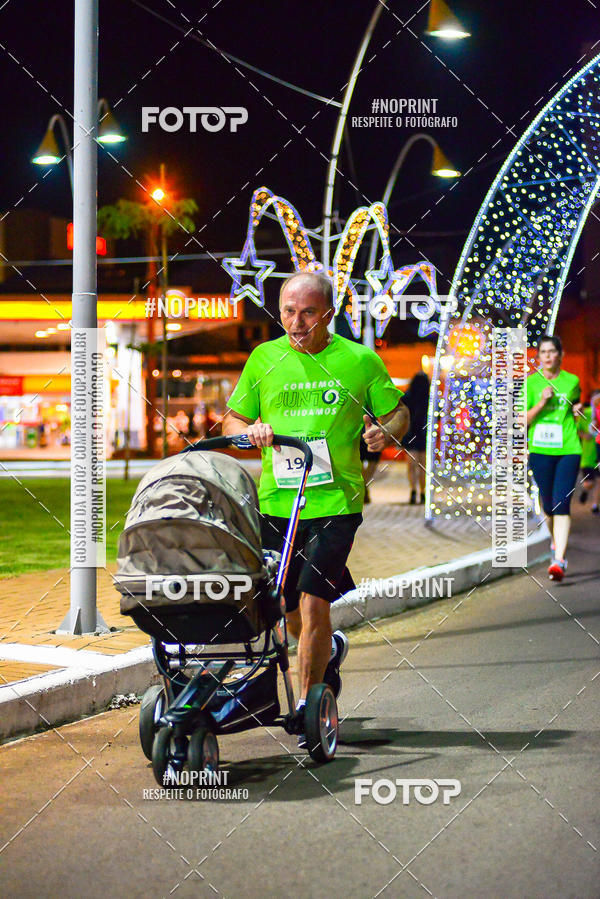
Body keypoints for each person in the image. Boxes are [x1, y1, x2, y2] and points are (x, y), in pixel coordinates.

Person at [222, 271, 409, 748]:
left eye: (307, 312)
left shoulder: (358, 360)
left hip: (335, 502)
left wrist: (385, 431)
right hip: (277, 502)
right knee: (284, 610)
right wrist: (253, 429)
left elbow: (399, 412)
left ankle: (307, 704)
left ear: (328, 312)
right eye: (288, 311)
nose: (296, 321)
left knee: (312, 599)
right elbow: (232, 419)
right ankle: (328, 654)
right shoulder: (264, 359)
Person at [526, 335, 582, 581]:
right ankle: (555, 542)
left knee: (561, 503)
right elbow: (522, 420)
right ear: (538, 357)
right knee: (548, 505)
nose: (548, 356)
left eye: (552, 352)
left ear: (561, 355)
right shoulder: (530, 384)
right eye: (544, 352)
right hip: (540, 449)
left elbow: (576, 404)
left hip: (569, 449)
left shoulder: (572, 381)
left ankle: (559, 559)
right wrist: (541, 402)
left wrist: (576, 409)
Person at [401, 371, 430, 504]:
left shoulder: (408, 396)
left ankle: (413, 490)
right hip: (424, 434)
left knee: (411, 465)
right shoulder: (429, 398)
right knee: (423, 466)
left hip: (411, 433)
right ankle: (423, 493)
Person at [576, 392, 599, 507]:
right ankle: (585, 490)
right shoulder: (586, 413)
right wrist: (584, 435)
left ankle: (595, 506)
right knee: (589, 483)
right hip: (588, 454)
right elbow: (576, 430)